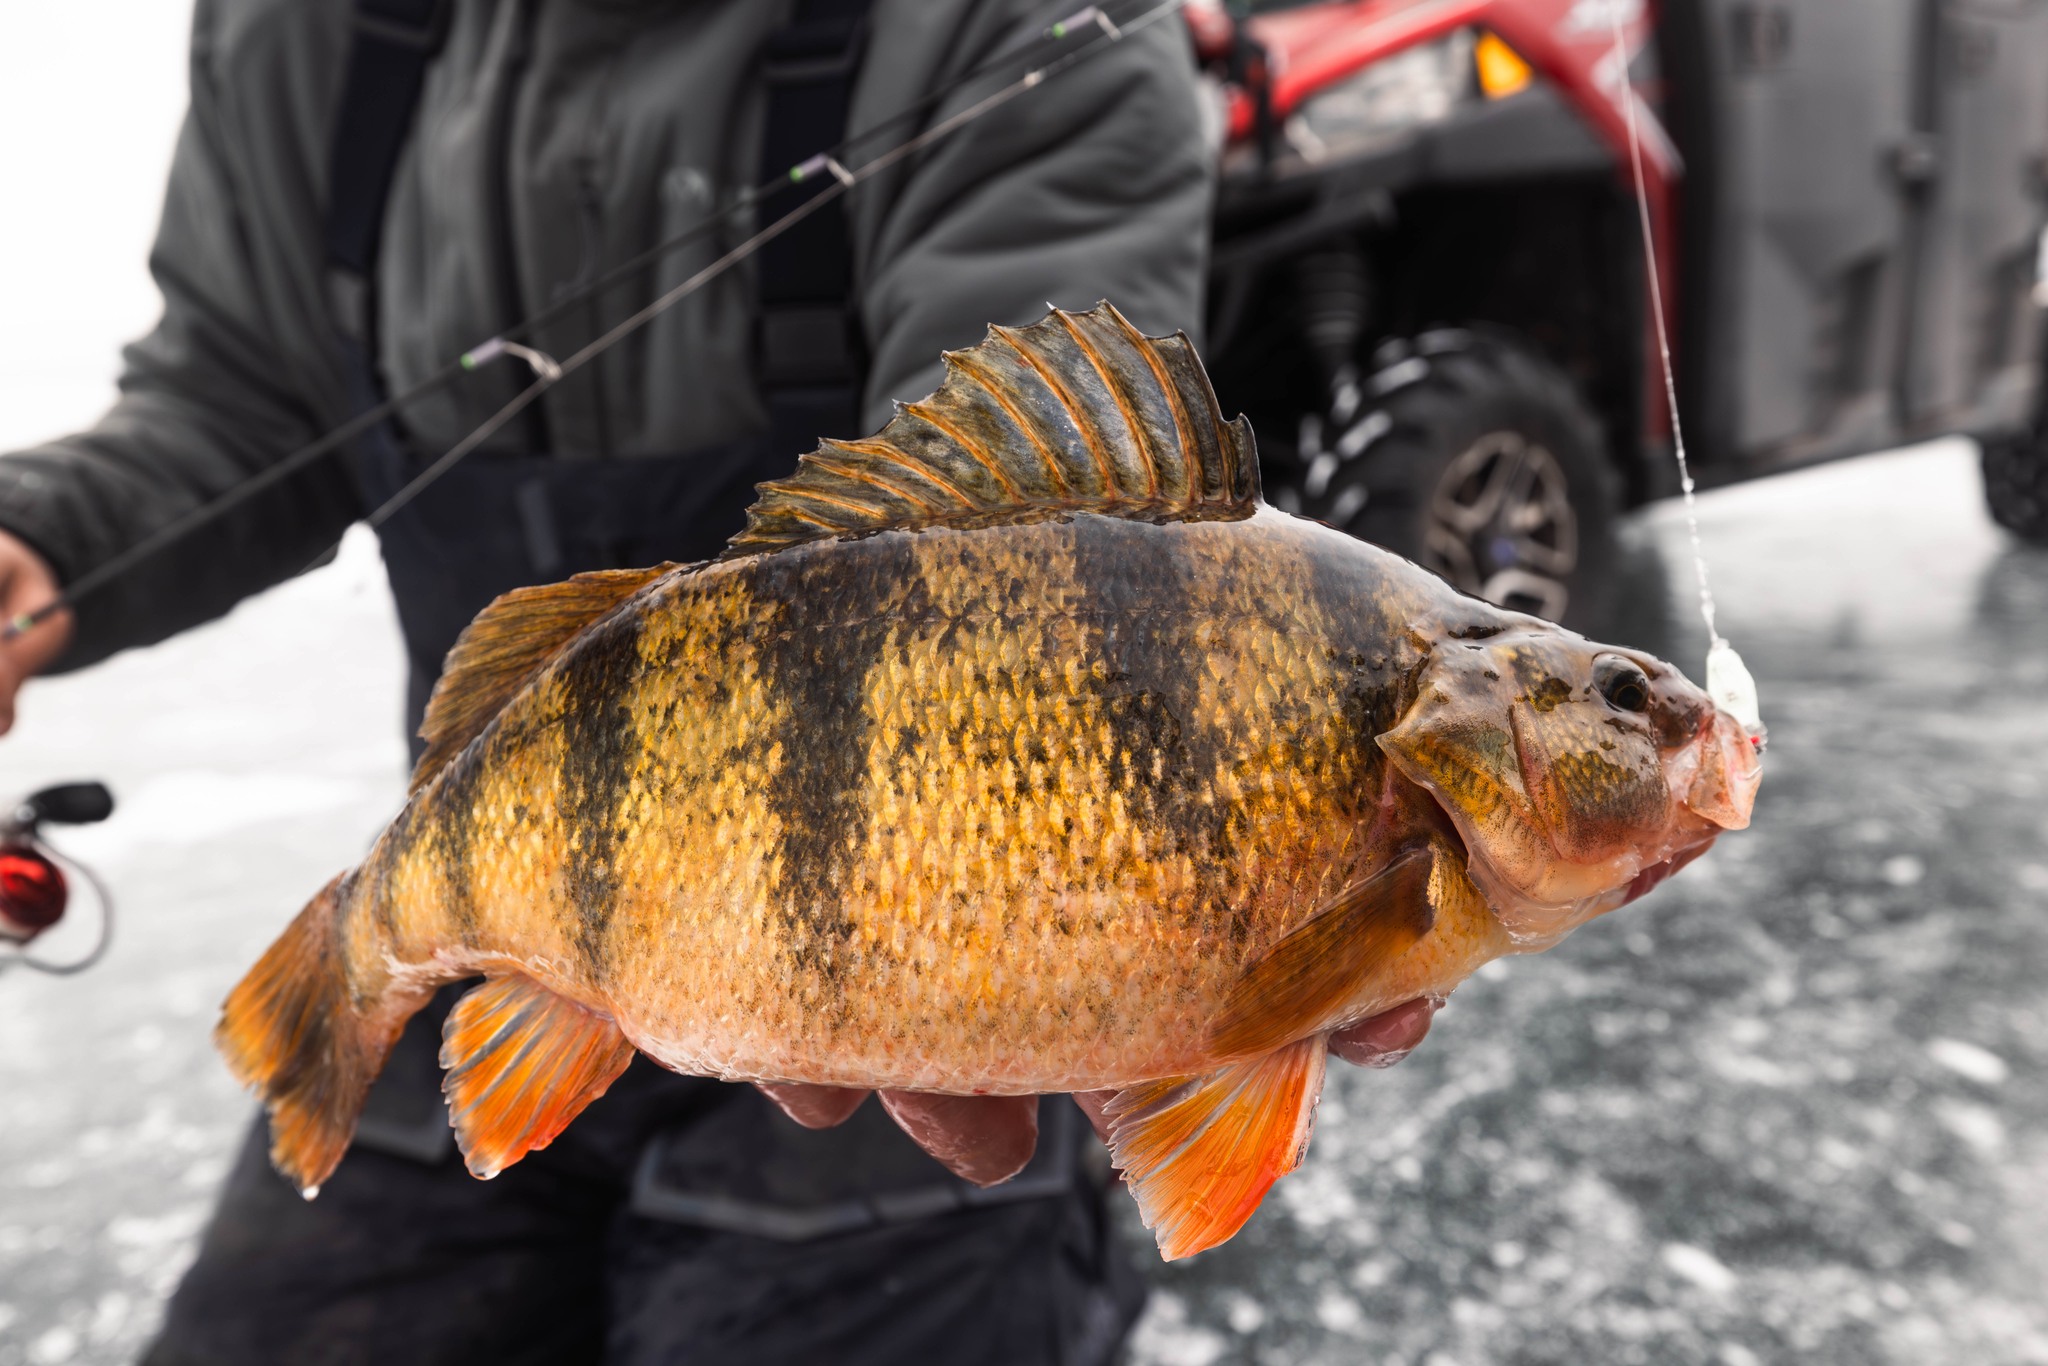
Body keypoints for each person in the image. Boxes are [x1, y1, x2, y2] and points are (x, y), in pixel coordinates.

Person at [0, 0, 1442, 1361]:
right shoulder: (309, 26)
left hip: (918, 953)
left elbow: (1032, 530)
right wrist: (34, 541)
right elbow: (237, 395)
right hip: (524, 906)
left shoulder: (1020, 25)